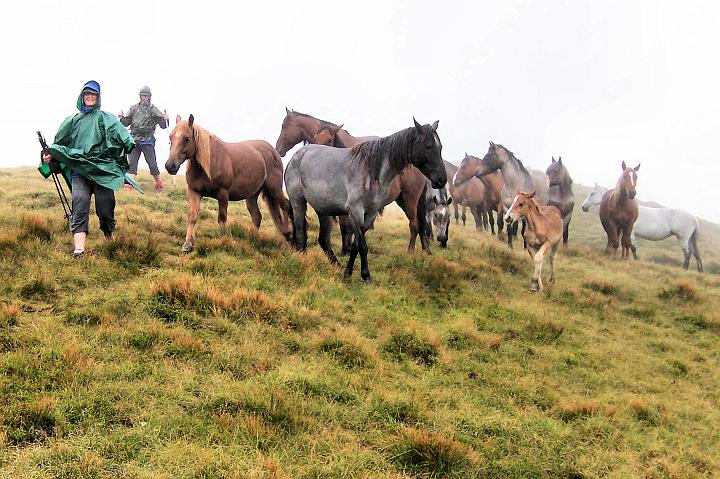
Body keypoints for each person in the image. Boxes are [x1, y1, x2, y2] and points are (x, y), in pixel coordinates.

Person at [42, 80, 135, 258]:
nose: (90, 97)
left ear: (98, 97)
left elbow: (122, 134)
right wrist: (48, 155)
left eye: (93, 94)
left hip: (103, 172)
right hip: (80, 171)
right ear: (82, 97)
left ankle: (108, 234)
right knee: (79, 201)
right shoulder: (72, 121)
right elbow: (58, 144)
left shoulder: (106, 118)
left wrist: (129, 143)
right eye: (87, 94)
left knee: (105, 205)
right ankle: (79, 249)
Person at [118, 86, 169, 191]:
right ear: (140, 96)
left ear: (149, 97)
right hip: (134, 140)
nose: (144, 97)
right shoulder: (134, 108)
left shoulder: (153, 109)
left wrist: (165, 118)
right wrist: (121, 118)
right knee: (132, 163)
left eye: (146, 96)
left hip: (148, 140)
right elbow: (126, 123)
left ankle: (159, 183)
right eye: (142, 95)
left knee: (152, 164)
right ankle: (129, 184)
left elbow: (164, 125)